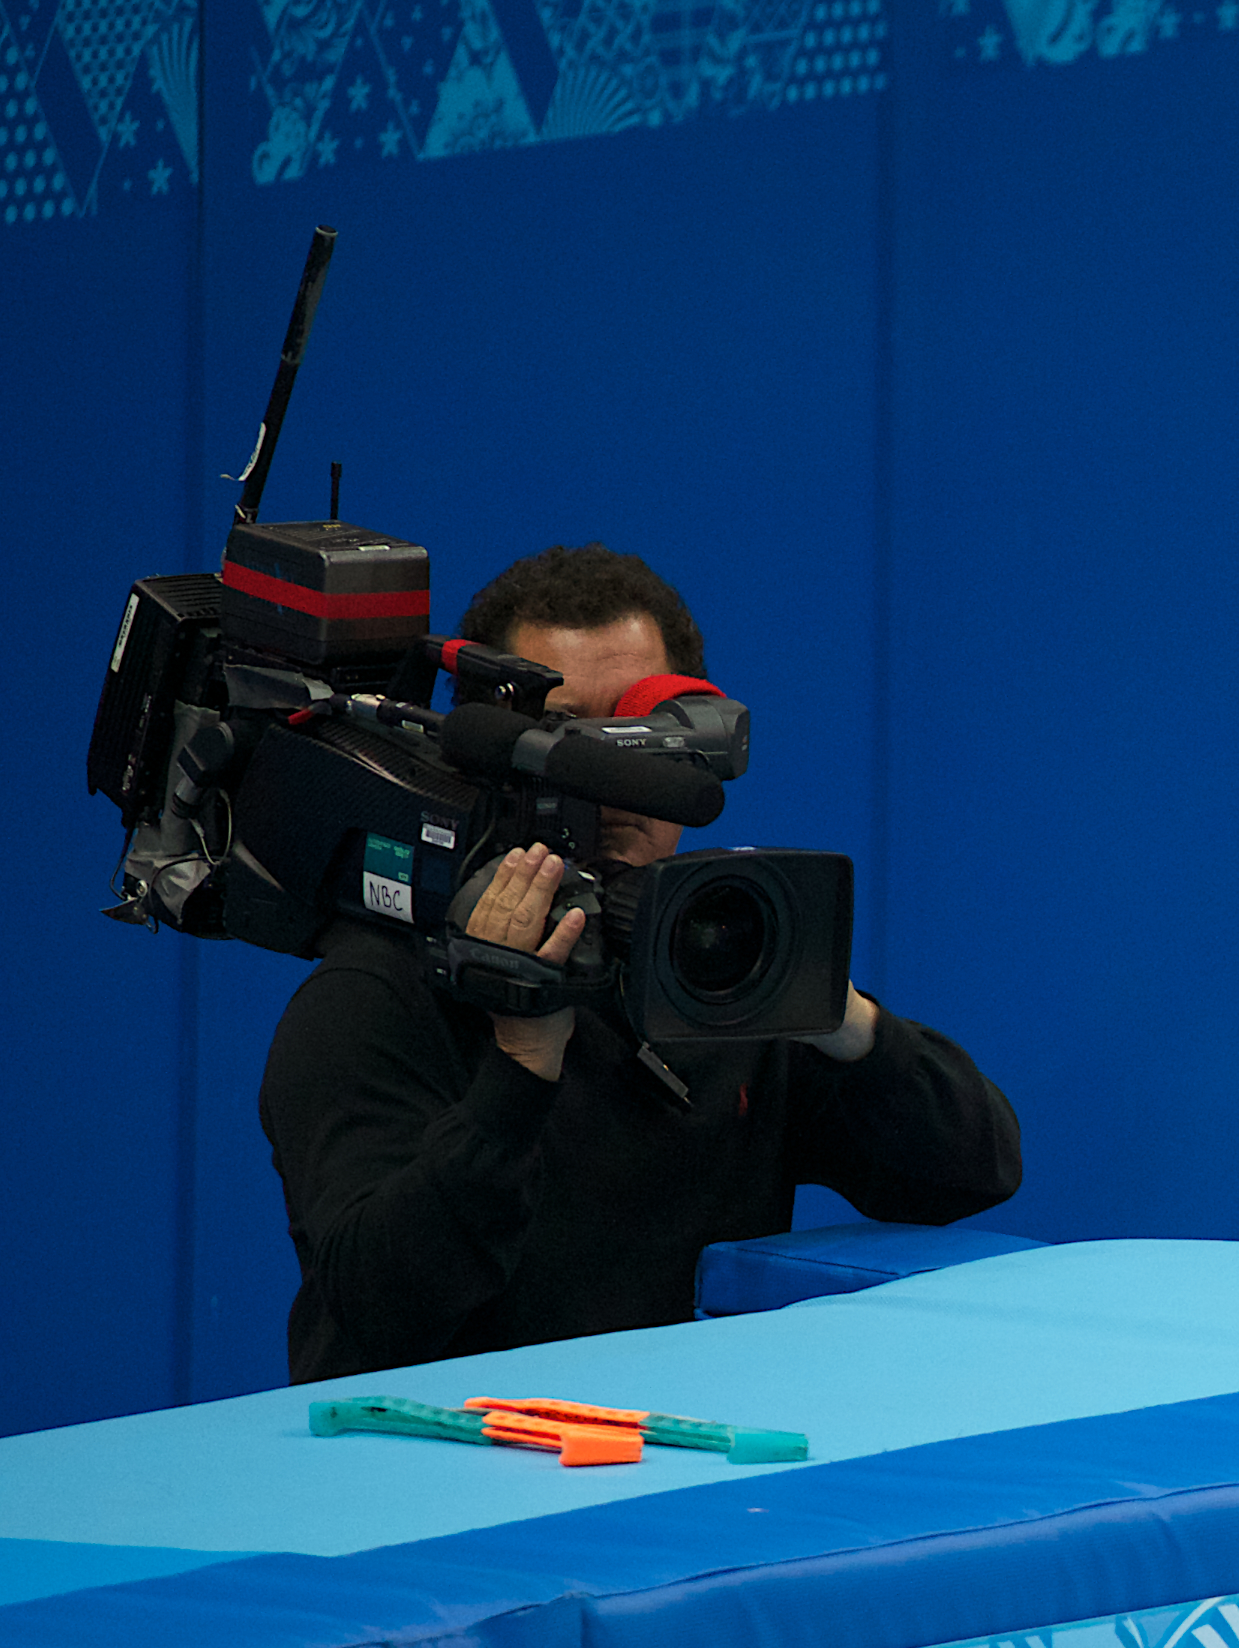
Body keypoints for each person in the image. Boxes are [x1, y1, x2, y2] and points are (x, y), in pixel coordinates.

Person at [259, 545, 1023, 1380]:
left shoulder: (722, 969)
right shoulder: (374, 996)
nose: (614, 786)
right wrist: (520, 1063)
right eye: (569, 741)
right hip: (443, 1464)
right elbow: (380, 1300)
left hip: (667, 1457)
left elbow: (969, 1175)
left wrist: (831, 1010)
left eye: (639, 738)